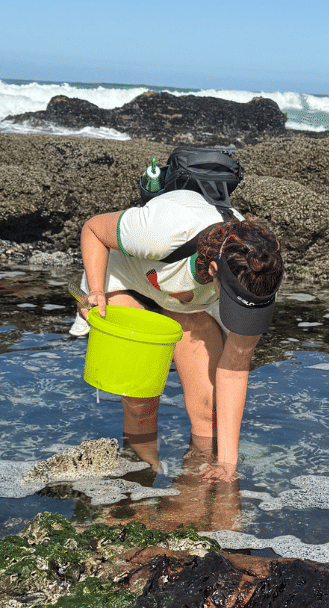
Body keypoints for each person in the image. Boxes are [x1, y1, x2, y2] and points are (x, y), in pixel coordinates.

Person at [76, 149, 284, 483]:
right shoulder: (159, 231)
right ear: (214, 270)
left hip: (189, 302)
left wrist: (228, 466)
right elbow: (93, 230)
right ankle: (137, 488)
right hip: (131, 283)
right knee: (142, 403)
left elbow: (234, 370)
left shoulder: (256, 278)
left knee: (208, 411)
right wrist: (96, 290)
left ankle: (194, 498)